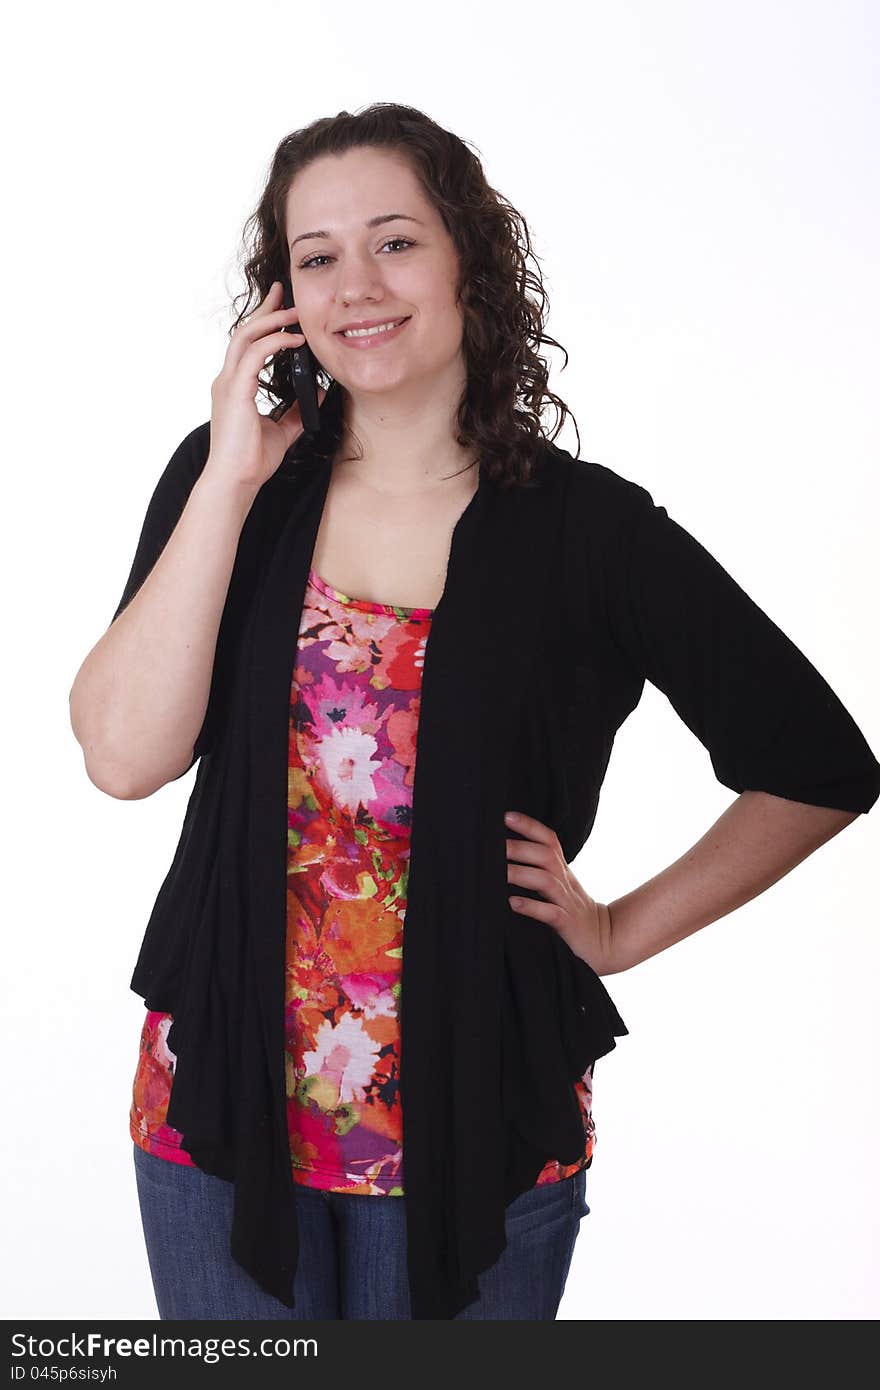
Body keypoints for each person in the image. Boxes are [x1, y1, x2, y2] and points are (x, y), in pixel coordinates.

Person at [68, 103, 880, 1321]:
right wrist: (232, 474)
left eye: (394, 242)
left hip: (476, 1122)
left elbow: (817, 763)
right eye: (317, 256)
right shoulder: (228, 480)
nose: (356, 286)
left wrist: (614, 929)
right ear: (280, 295)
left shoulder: (588, 530)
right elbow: (125, 757)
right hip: (216, 1112)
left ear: (466, 259)